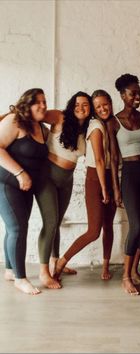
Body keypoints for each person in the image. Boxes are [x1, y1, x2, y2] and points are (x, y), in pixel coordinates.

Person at [53, 89, 116, 281]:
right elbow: (98, 160)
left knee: (108, 225)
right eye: (98, 106)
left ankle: (106, 266)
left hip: (108, 176)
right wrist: (105, 188)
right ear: (94, 110)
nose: (102, 108)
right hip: (96, 178)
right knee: (93, 231)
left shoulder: (108, 124)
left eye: (106, 104)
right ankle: (60, 263)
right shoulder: (96, 126)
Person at [34, 91, 93, 289]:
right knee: (50, 223)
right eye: (77, 104)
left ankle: (55, 261)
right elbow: (35, 114)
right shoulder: (60, 116)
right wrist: (8, 116)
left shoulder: (87, 128)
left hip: (67, 179)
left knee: (57, 222)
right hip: (47, 177)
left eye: (85, 105)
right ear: (71, 105)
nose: (81, 108)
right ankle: (43, 273)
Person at [107, 73, 140, 295]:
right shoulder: (113, 122)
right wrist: (116, 188)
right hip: (129, 174)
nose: (138, 96)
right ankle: (125, 277)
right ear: (122, 95)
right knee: (135, 225)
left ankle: (134, 270)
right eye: (133, 93)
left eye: (139, 92)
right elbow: (114, 158)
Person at [0, 88, 49, 295]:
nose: (43, 106)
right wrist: (20, 173)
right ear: (26, 104)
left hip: (26, 186)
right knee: (17, 229)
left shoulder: (40, 127)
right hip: (7, 181)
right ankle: (21, 278)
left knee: (17, 228)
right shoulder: (14, 120)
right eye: (37, 102)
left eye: (45, 101)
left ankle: (10, 270)